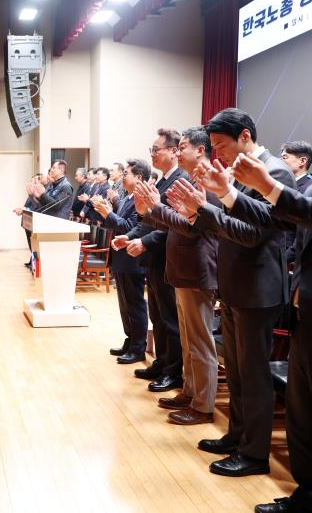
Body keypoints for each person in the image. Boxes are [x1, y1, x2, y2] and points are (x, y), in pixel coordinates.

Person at [201, 103, 312, 513]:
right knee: (303, 422)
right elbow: (275, 219)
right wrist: (228, 194)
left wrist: (268, 186)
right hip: (309, 323)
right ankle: (310, 496)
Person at [167, 107, 295, 478]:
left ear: (244, 136)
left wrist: (206, 209)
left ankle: (254, 454)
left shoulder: (273, 170)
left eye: (221, 144)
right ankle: (237, 436)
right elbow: (231, 225)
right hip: (237, 283)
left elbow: (252, 234)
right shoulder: (237, 172)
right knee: (237, 372)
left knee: (253, 374)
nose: (217, 153)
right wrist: (203, 208)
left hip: (259, 287)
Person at [134, 126, 219, 425]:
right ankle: (190, 391)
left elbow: (195, 227)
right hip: (183, 268)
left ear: (200, 150)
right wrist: (152, 210)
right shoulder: (193, 179)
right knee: (188, 340)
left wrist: (155, 208)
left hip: (198, 268)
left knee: (200, 342)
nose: (179, 151)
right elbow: (181, 223)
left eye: (183, 146)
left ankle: (203, 404)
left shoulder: (208, 180)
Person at [114, 128, 186, 393]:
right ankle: (162, 362)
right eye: (151, 150)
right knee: (158, 315)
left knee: (169, 319)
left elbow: (172, 225)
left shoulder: (181, 179)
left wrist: (143, 242)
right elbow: (148, 220)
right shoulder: (162, 182)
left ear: (173, 151)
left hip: (168, 257)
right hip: (155, 261)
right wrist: (129, 236)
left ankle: (173, 372)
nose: (153, 154)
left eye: (157, 149)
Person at [94, 159, 150, 364]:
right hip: (120, 256)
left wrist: (107, 213)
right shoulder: (127, 197)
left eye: (126, 173)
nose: (122, 176)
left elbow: (128, 227)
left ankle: (138, 347)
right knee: (125, 305)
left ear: (139, 178)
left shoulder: (141, 199)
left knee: (135, 304)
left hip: (132, 259)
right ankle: (130, 339)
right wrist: (107, 213)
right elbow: (118, 225)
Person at [280, 141, 312, 264]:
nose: (279, 161)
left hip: (291, 260)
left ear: (302, 161)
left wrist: (286, 258)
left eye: (285, 157)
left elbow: (303, 231)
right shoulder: (280, 184)